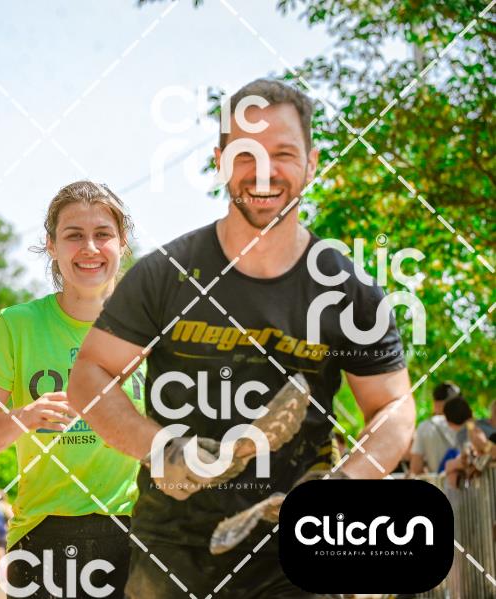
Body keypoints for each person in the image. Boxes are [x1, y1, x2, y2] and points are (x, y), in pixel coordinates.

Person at [67, 78, 415, 598]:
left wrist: (345, 484)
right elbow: (89, 376)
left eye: (283, 153)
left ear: (312, 164)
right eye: (245, 153)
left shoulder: (347, 289)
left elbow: (393, 407)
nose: (263, 170)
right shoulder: (167, 274)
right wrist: (160, 449)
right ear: (220, 162)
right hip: (172, 551)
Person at [0, 181, 145, 598]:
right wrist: (22, 418)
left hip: (137, 536)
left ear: (122, 242)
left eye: (103, 234)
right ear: (51, 245)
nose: (90, 248)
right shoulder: (17, 325)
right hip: (42, 540)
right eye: (74, 235)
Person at [410, 381, 461, 474]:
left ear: (435, 403)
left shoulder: (425, 427)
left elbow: (416, 467)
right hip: (465, 481)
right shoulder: (465, 425)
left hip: (438, 480)